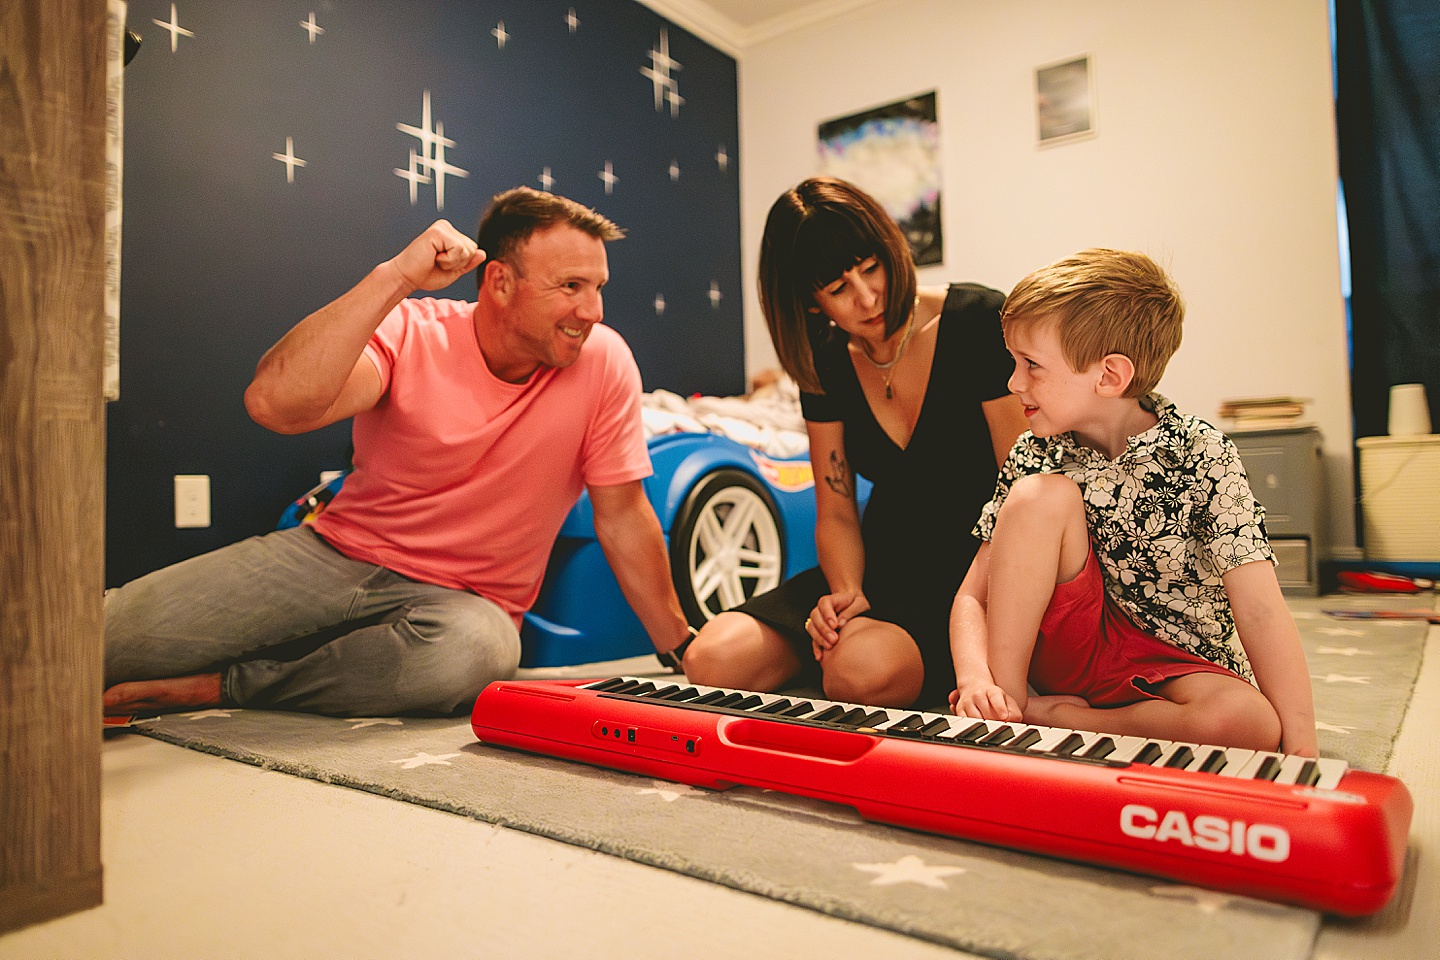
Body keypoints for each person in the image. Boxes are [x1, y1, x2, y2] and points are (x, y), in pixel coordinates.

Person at [103, 187, 691, 717]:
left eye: (597, 288)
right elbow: (273, 404)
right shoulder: (414, 330)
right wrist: (395, 278)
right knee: (101, 639)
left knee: (476, 654)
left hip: (465, 603)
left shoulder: (604, 362)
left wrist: (681, 647)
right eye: (571, 287)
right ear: (501, 282)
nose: (593, 311)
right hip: (334, 554)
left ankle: (225, 686)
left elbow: (622, 513)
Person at [948, 248, 1318, 757]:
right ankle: (1008, 708)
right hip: (1068, 652)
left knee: (1250, 722)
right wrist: (975, 682)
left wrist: (1302, 755)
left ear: (1110, 376)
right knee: (1040, 496)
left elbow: (1260, 612)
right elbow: (973, 597)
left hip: (1176, 664)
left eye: (1031, 365)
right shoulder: (1035, 451)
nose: (1014, 383)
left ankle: (1059, 718)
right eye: (1015, 363)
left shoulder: (1201, 453)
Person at [680, 177, 1027, 709]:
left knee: (858, 673)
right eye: (838, 289)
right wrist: (846, 596)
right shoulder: (824, 356)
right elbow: (837, 509)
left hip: (973, 572)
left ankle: (856, 659)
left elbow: (1021, 491)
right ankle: (838, 648)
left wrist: (987, 611)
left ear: (891, 250)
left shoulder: (978, 320)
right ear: (810, 302)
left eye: (871, 268)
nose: (867, 298)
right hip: (876, 561)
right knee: (711, 660)